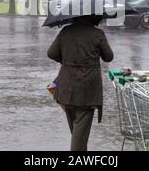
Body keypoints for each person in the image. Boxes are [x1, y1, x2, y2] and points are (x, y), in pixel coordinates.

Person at [47, 15, 114, 151]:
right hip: (87, 90)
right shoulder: (97, 34)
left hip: (66, 86)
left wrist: (66, 61)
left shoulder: (66, 31)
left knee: (78, 132)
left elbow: (51, 53)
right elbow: (108, 57)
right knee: (79, 134)